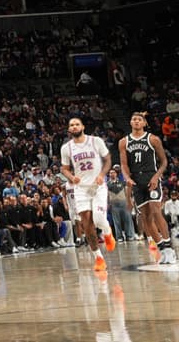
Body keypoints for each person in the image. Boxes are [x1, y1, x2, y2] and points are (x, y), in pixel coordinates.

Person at [119, 112, 176, 264]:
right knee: (145, 219)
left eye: (139, 119)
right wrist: (127, 177)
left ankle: (170, 249)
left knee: (156, 211)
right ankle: (162, 249)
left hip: (151, 177)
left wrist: (156, 177)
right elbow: (124, 164)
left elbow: (164, 162)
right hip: (136, 180)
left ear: (144, 123)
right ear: (130, 123)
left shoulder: (153, 139)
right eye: (133, 119)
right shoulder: (124, 142)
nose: (136, 121)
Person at [60, 117, 116, 273]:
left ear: (83, 126)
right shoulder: (66, 148)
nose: (74, 126)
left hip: (97, 186)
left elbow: (108, 159)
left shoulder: (95, 141)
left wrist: (102, 174)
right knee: (87, 224)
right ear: (69, 129)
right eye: (71, 125)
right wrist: (71, 177)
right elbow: (64, 168)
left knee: (99, 219)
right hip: (80, 188)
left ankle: (107, 232)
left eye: (77, 124)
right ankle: (98, 258)